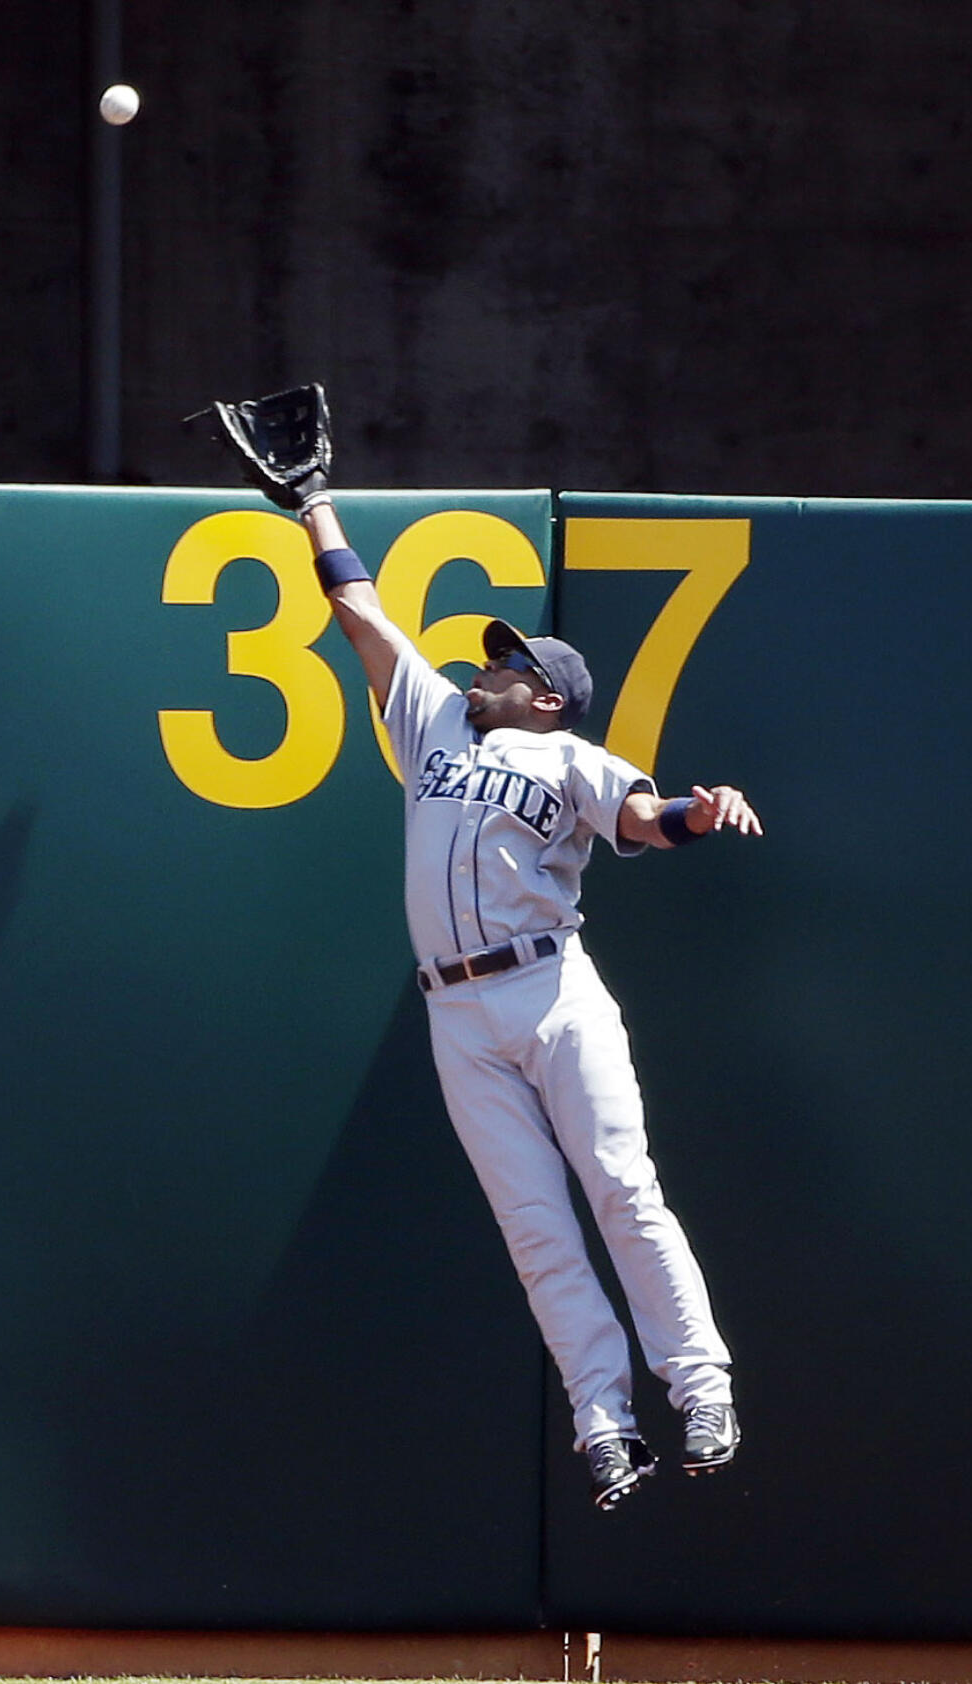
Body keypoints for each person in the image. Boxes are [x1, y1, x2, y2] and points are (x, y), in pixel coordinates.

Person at [294, 486, 763, 1512]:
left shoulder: (565, 757)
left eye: (506, 665)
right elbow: (363, 617)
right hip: (455, 1015)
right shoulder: (431, 729)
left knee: (620, 1189)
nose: (483, 667)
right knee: (532, 1227)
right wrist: (313, 507)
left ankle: (700, 1386)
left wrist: (696, 807)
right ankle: (604, 1421)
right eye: (490, 658)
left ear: (546, 695)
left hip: (551, 989)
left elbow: (638, 818)